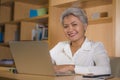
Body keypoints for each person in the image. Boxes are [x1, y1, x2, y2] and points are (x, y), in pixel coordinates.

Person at [50, 7, 111, 75]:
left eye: (74, 24)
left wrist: (71, 67)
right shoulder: (60, 45)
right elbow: (42, 63)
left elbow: (106, 70)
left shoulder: (96, 46)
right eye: (66, 26)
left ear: (85, 26)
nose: (70, 30)